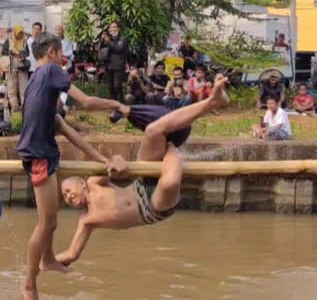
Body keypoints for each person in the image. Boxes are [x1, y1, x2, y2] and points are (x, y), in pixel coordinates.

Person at [56, 75, 230, 266]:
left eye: (67, 191)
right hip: (151, 207)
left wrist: (118, 162)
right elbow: (71, 254)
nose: (67, 197)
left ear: (81, 183)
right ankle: (171, 148)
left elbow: (112, 164)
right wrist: (42, 262)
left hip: (141, 184)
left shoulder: (92, 183)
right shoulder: (86, 220)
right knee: (169, 182)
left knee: (153, 131)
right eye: (65, 198)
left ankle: (212, 102)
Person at [16, 34, 127, 300]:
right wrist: (117, 104)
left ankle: (49, 260)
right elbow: (86, 101)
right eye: (61, 54)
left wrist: (100, 159)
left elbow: (69, 132)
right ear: (53, 52)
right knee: (46, 224)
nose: (63, 59)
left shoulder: (36, 82)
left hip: (45, 154)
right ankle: (29, 283)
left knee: (51, 223)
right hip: (39, 157)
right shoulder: (51, 71)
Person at [3, 24, 29, 109]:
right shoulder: (9, 40)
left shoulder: (24, 41)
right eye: (19, 33)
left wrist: (22, 56)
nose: (20, 35)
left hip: (22, 66)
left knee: (23, 86)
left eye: (22, 33)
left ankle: (25, 106)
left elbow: (27, 53)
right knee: (11, 87)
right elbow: (3, 52)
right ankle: (14, 107)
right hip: (11, 65)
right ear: (15, 32)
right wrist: (12, 53)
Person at [105, 21, 127, 101]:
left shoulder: (122, 39)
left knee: (117, 86)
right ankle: (113, 106)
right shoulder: (108, 39)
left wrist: (108, 42)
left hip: (118, 66)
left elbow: (118, 49)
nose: (112, 29)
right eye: (111, 27)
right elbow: (100, 49)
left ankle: (121, 103)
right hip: (109, 65)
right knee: (110, 87)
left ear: (118, 29)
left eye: (114, 27)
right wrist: (102, 41)